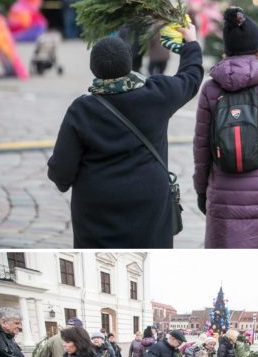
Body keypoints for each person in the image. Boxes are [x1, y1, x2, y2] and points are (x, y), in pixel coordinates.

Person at [47, 22, 203, 247]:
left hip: (96, 215)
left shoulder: (81, 111)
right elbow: (191, 78)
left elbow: (61, 173)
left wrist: (61, 179)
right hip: (150, 210)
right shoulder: (157, 95)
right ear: (129, 63)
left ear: (94, 69)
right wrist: (191, 44)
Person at [192, 7, 258, 249]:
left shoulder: (210, 89)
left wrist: (200, 189)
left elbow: (202, 147)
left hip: (222, 192)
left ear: (226, 50)